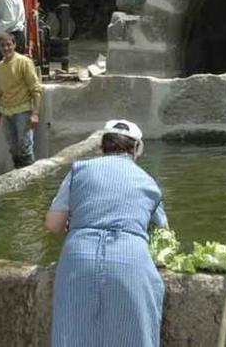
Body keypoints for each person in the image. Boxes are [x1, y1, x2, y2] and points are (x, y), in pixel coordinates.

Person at [45, 119, 168, 347]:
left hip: (79, 258)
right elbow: (165, 234)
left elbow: (53, 224)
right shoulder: (149, 183)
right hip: (130, 259)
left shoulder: (78, 170)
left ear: (102, 147)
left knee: (72, 336)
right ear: (136, 148)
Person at [0, 32, 41, 168]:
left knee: (25, 148)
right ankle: (18, 178)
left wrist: (35, 114)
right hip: (6, 112)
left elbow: (35, 89)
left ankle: (31, 181)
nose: (6, 48)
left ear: (14, 45)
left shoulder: (24, 62)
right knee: (13, 149)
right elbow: (0, 94)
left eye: (8, 45)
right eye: (2, 46)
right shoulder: (0, 67)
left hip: (22, 110)